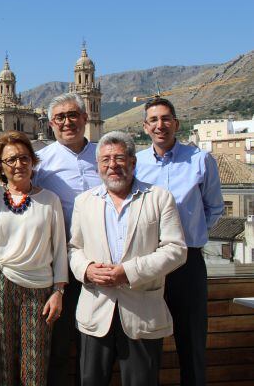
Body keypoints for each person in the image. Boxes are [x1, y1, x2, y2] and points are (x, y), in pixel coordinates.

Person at [69, 131, 187, 386]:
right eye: (105, 160)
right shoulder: (84, 202)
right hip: (95, 312)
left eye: (119, 158)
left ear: (133, 162)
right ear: (98, 165)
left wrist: (129, 272)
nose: (112, 165)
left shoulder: (159, 198)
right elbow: (73, 248)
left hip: (142, 313)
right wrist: (87, 269)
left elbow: (176, 250)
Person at [134, 97, 224, 386]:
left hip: (188, 264)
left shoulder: (200, 160)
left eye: (166, 118)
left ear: (176, 122)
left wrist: (190, 236)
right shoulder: (137, 164)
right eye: (154, 120)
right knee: (148, 344)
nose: (160, 125)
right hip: (150, 262)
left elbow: (215, 208)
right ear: (146, 127)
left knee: (192, 342)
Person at [0, 131, 67, 386]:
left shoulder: (50, 200)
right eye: (11, 160)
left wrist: (58, 291)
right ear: (0, 166)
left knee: (35, 363)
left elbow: (60, 247)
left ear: (33, 161)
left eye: (24, 158)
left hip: (38, 290)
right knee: (2, 363)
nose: (18, 164)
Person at [34, 92, 101, 386]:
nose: (67, 122)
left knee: (97, 346)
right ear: (51, 124)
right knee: (59, 345)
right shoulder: (41, 163)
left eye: (74, 115)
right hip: (61, 267)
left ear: (85, 118)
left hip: (103, 265)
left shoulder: (105, 156)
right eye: (60, 117)